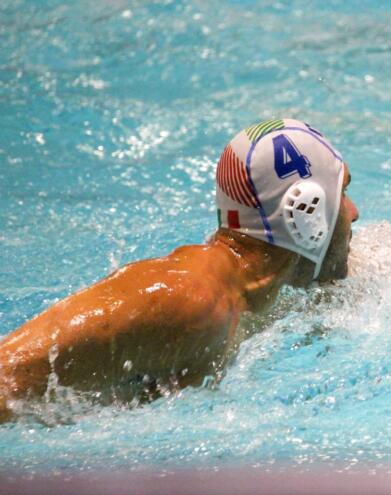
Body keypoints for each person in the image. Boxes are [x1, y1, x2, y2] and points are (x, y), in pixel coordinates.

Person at [0, 119, 359, 422]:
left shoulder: (259, 293)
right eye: (342, 193)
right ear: (307, 211)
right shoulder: (187, 298)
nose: (354, 212)